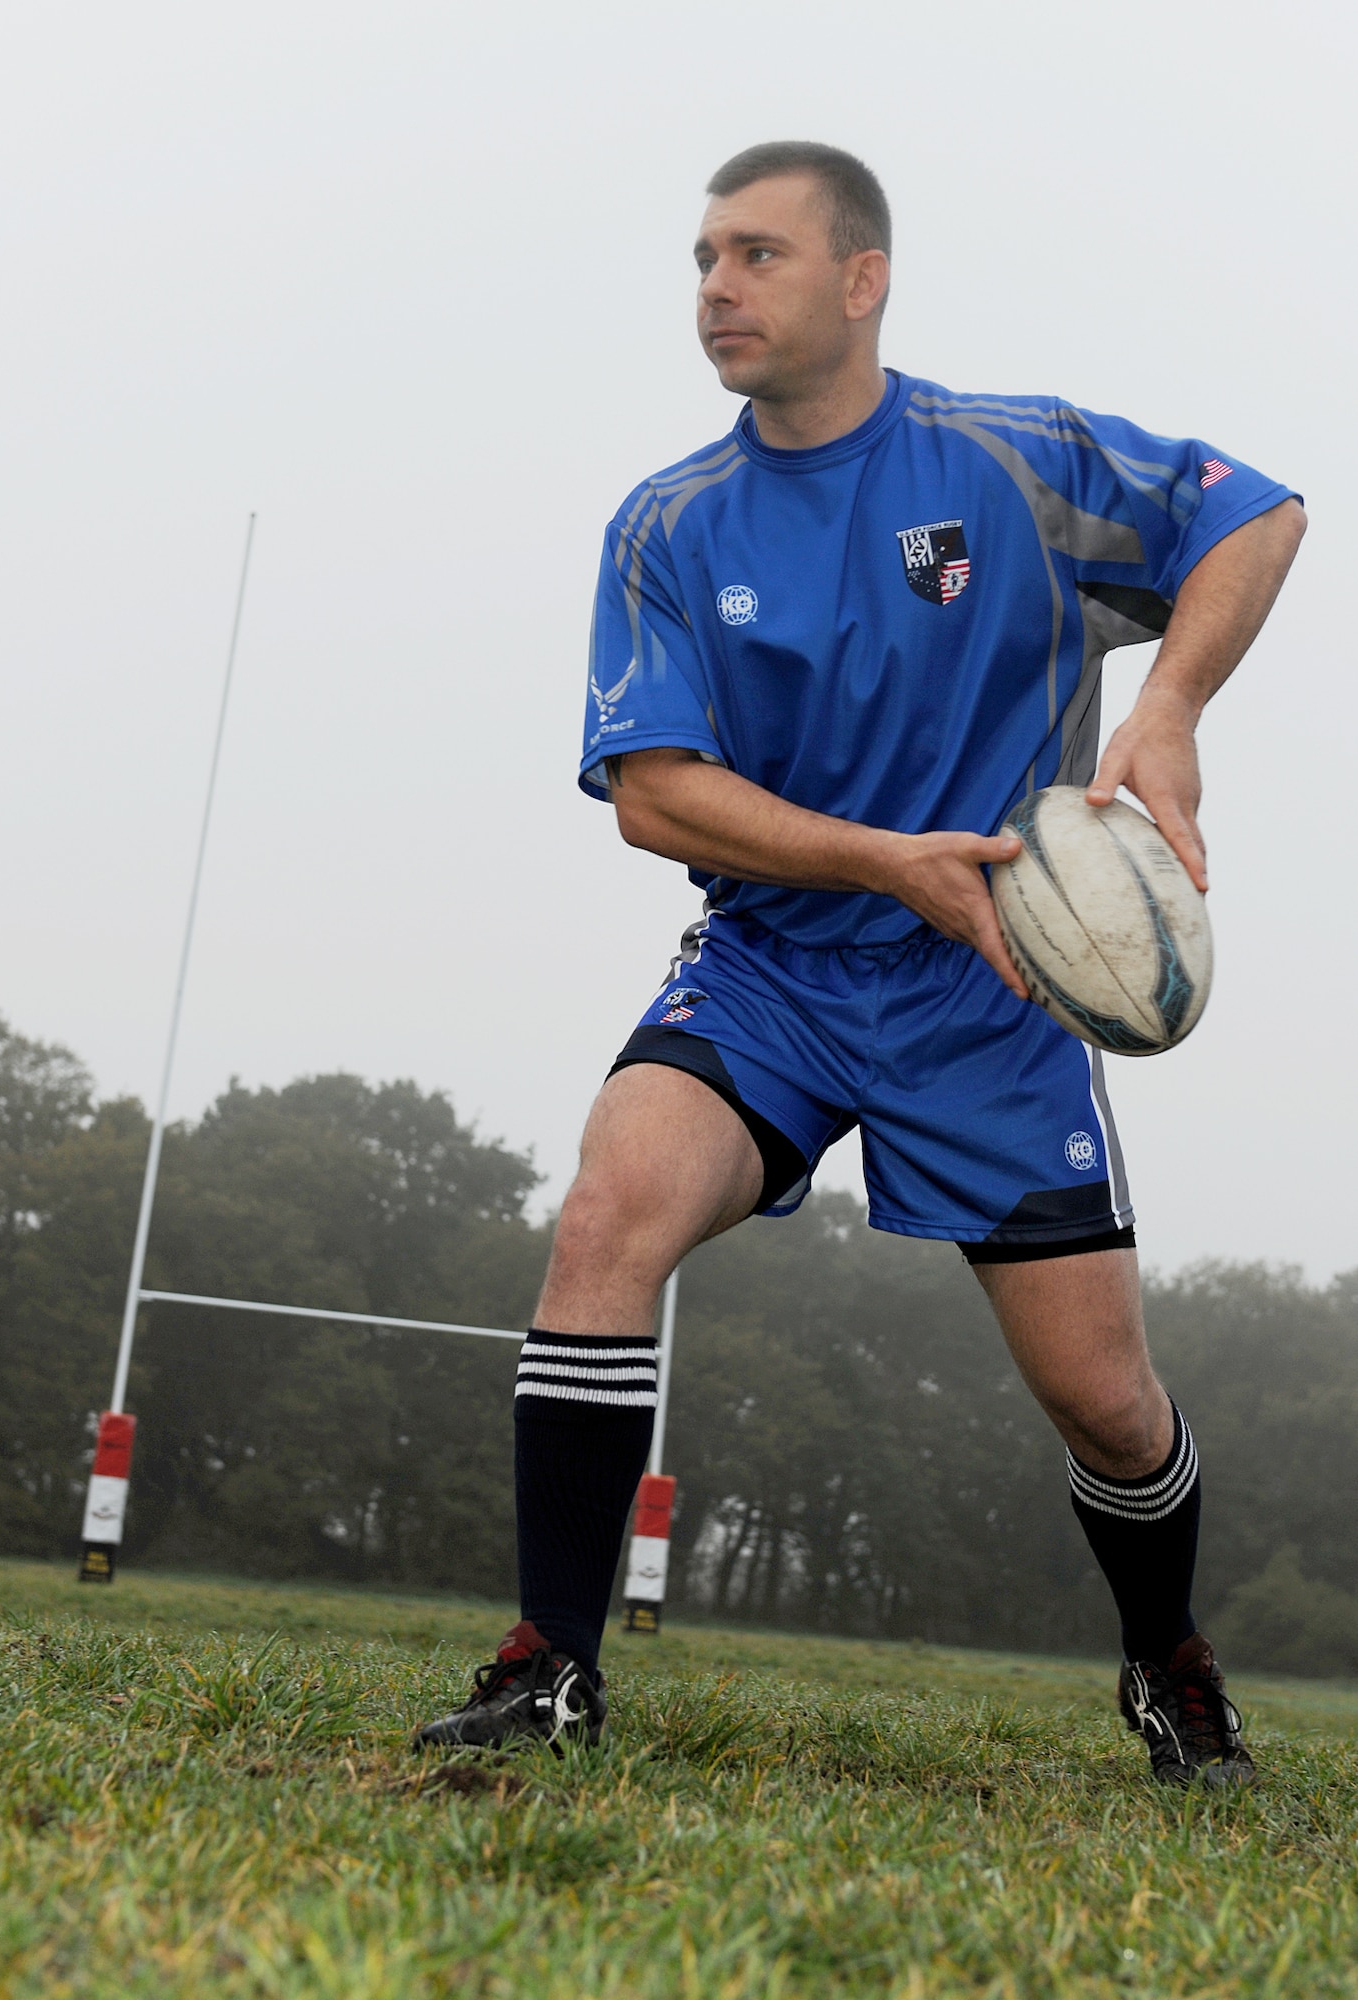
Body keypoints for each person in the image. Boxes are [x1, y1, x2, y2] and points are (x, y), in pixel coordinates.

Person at [417, 141, 1305, 1783]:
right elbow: (653, 794)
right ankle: (550, 1664)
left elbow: (1254, 514)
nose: (714, 288)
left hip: (997, 1003)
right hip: (772, 973)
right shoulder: (668, 525)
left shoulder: (1013, 459)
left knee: (1106, 1406)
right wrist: (882, 863)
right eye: (701, 258)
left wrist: (1166, 706)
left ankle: (1165, 1662)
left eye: (754, 254)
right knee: (607, 1216)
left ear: (860, 277)